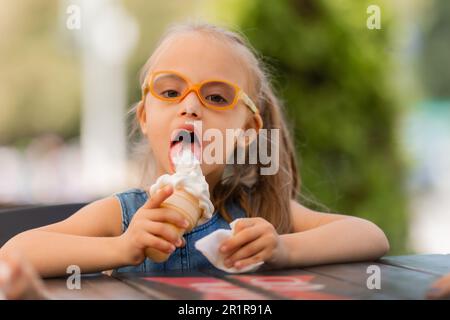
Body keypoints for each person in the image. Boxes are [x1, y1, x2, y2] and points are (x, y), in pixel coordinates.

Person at [0, 22, 389, 278]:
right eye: (170, 92)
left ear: (247, 132)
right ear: (146, 118)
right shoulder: (126, 214)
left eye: (216, 97)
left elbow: (370, 236)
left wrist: (283, 248)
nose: (189, 106)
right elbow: (17, 253)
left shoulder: (255, 212)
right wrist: (121, 247)